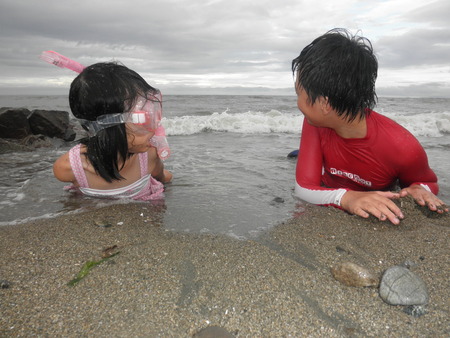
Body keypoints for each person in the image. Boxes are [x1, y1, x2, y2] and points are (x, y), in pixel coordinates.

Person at [292, 28, 448, 224]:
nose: (298, 103)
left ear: (325, 104)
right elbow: (304, 188)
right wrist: (346, 198)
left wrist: (419, 189)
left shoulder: (402, 147)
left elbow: (429, 182)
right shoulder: (314, 123)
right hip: (333, 182)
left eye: (299, 94)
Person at [53, 62, 172, 200]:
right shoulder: (68, 168)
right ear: (105, 126)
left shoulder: (150, 155)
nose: (155, 127)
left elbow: (163, 177)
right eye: (143, 119)